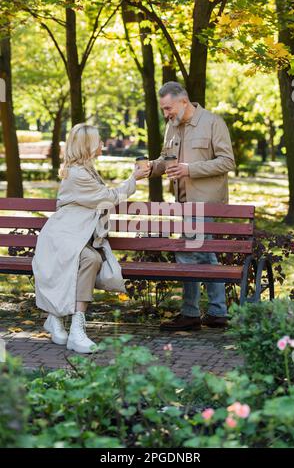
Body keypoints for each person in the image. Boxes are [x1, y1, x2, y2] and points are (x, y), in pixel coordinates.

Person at [32, 123, 150, 353]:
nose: (102, 145)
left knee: (90, 260)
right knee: (91, 260)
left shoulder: (85, 170)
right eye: (98, 141)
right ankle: (74, 328)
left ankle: (59, 320)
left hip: (73, 234)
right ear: (88, 146)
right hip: (63, 236)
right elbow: (108, 197)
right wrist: (134, 178)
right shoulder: (77, 174)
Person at [147, 81, 236, 331]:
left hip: (206, 202)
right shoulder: (172, 127)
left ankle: (190, 313)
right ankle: (218, 313)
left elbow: (227, 161)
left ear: (184, 101)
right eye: (163, 110)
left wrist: (190, 170)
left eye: (168, 108)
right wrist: (151, 168)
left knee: (188, 253)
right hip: (184, 203)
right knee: (205, 252)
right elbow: (166, 160)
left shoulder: (212, 122)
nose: (166, 114)